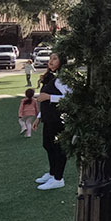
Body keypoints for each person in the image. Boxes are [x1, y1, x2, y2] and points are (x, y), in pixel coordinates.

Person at [34, 53, 71, 190]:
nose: (50, 61)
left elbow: (69, 98)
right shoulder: (50, 77)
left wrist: (50, 97)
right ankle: (52, 173)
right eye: (50, 59)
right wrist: (39, 117)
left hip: (58, 119)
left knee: (58, 148)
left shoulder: (62, 79)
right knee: (48, 145)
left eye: (54, 59)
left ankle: (58, 178)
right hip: (48, 118)